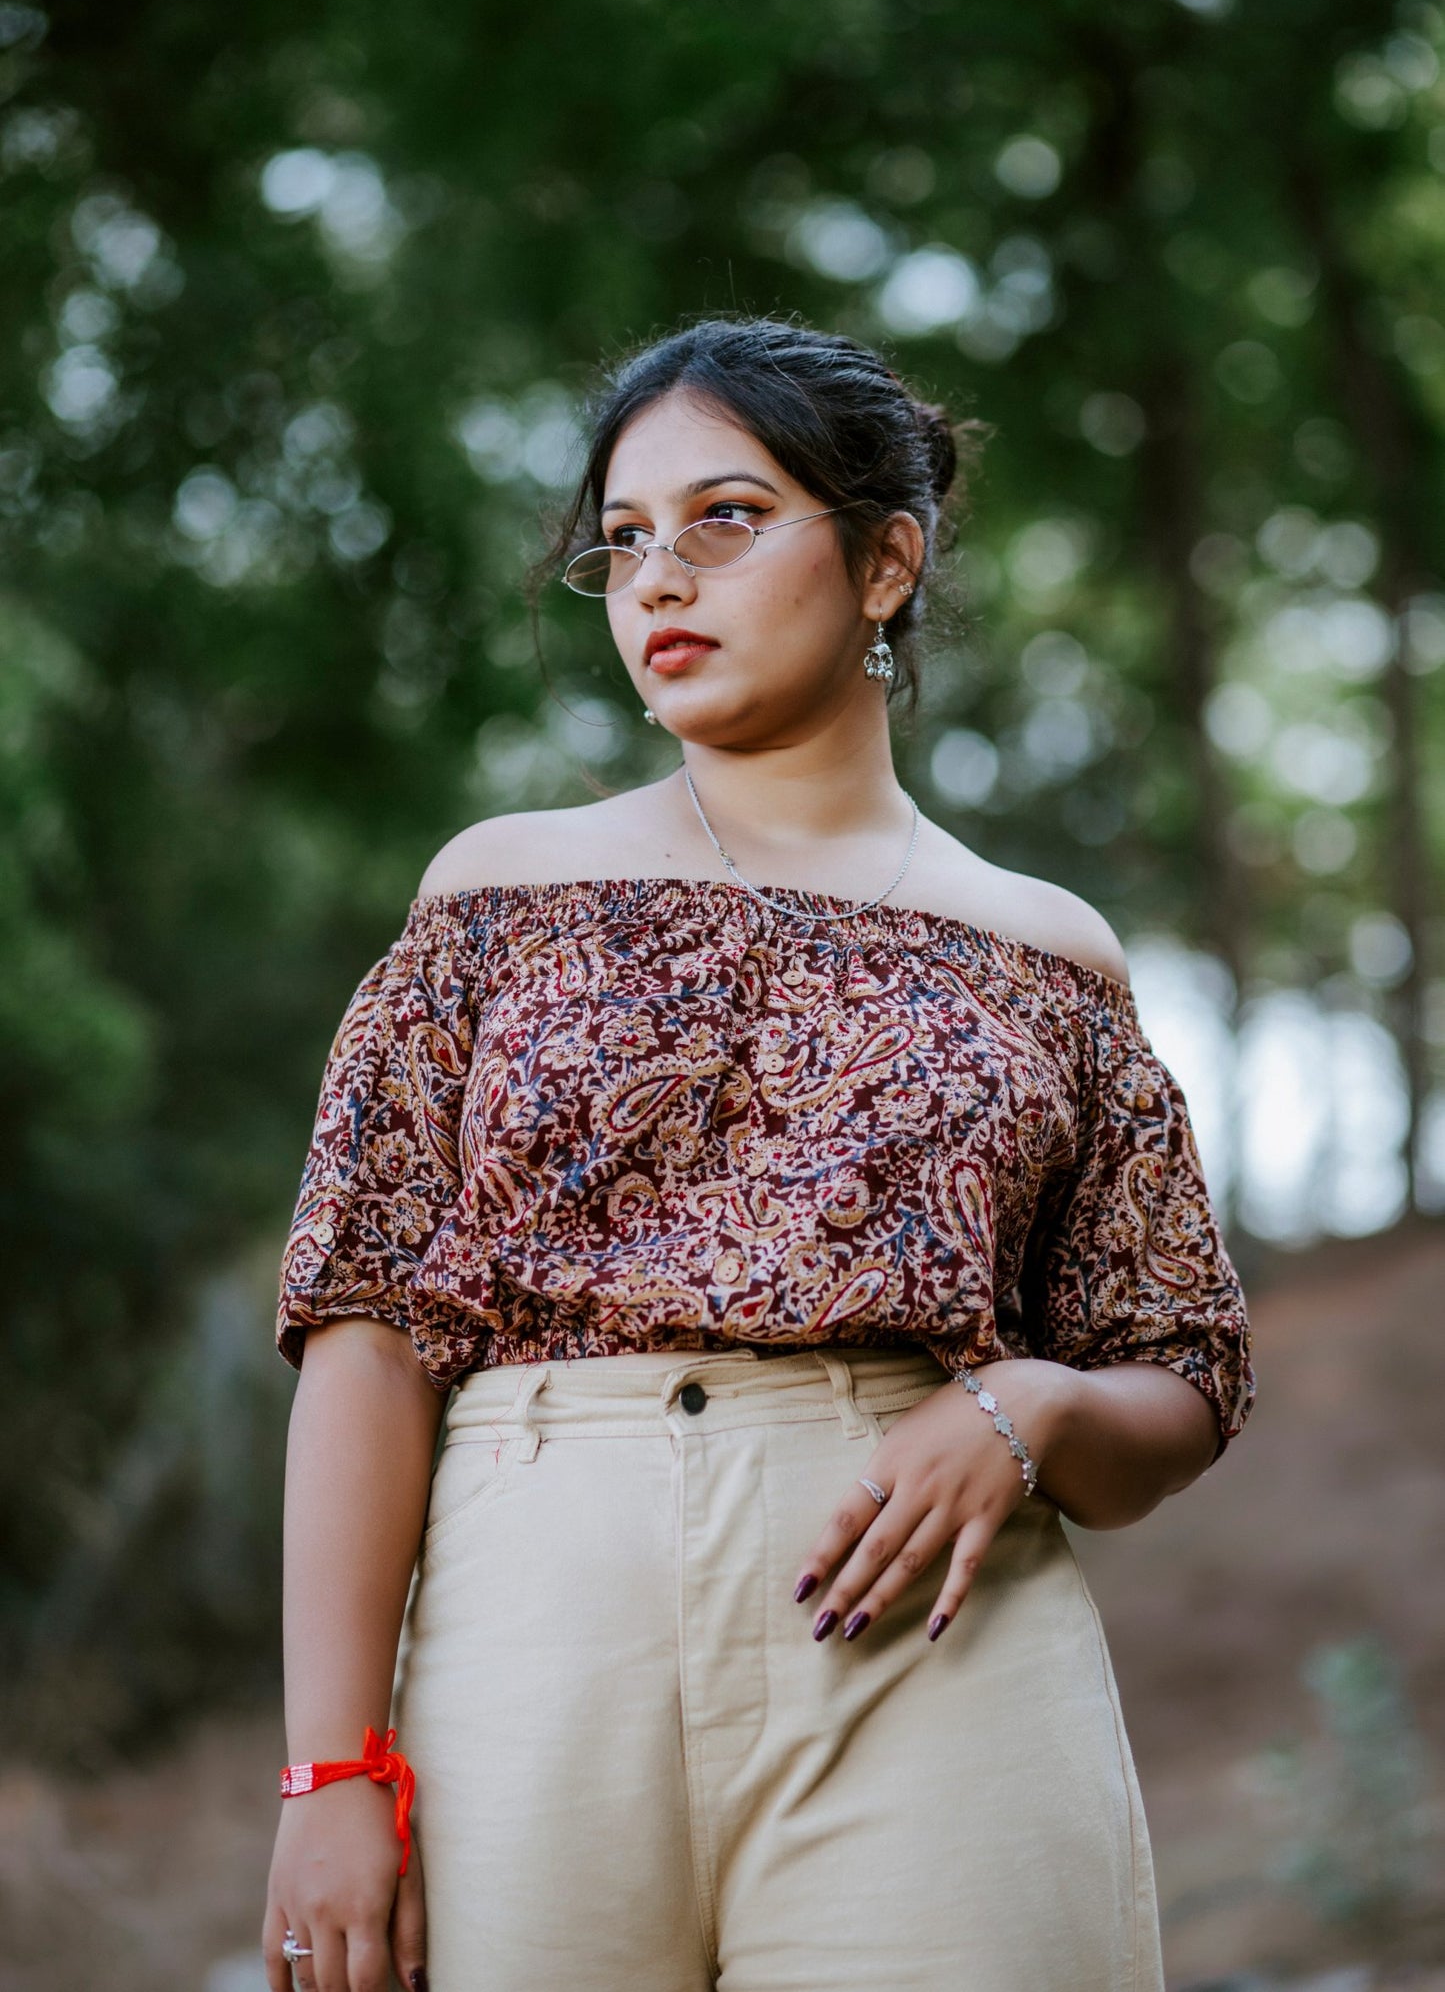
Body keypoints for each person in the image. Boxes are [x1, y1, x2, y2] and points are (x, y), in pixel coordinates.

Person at [263, 316, 1254, 1992]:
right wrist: (331, 1767)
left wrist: (1035, 1406)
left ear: (885, 563)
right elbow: (363, 1328)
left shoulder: (1047, 951)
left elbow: (1179, 1369)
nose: (660, 580)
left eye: (725, 518)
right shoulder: (495, 896)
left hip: (929, 1644)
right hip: (534, 1625)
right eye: (625, 541)